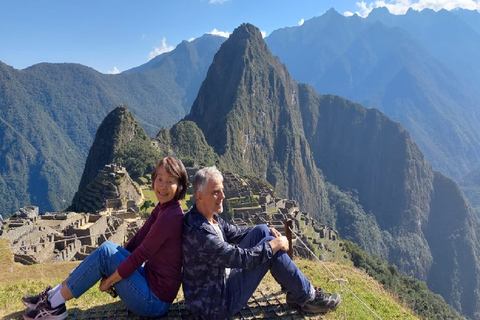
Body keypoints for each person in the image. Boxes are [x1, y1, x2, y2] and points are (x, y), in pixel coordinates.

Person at [22, 156, 188, 320]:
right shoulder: (164, 208)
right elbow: (137, 240)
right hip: (149, 284)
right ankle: (51, 296)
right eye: (160, 179)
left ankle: (53, 306)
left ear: (180, 186)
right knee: (108, 249)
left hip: (154, 302)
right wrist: (112, 269)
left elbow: (141, 255)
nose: (163, 186)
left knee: (105, 253)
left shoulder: (170, 217)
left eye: (170, 181)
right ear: (153, 180)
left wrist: (109, 281)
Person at [182, 166, 341, 319]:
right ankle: (308, 298)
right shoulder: (200, 233)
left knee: (262, 231)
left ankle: (294, 291)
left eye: (222, 190)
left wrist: (267, 228)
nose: (223, 196)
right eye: (216, 192)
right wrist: (275, 244)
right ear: (199, 196)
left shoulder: (207, 216)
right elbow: (241, 258)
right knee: (271, 246)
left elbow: (233, 232)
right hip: (215, 305)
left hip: (219, 284)